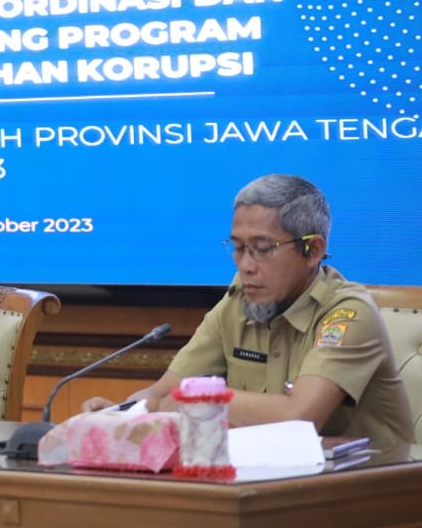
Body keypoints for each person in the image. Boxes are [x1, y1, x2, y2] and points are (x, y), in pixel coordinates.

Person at [83, 173, 412, 445]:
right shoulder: (239, 300)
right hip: (269, 479)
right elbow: (162, 393)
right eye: (238, 248)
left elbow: (300, 416)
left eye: (262, 249)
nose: (245, 265)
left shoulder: (348, 312)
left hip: (370, 489)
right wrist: (120, 414)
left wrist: (202, 397)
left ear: (312, 250)